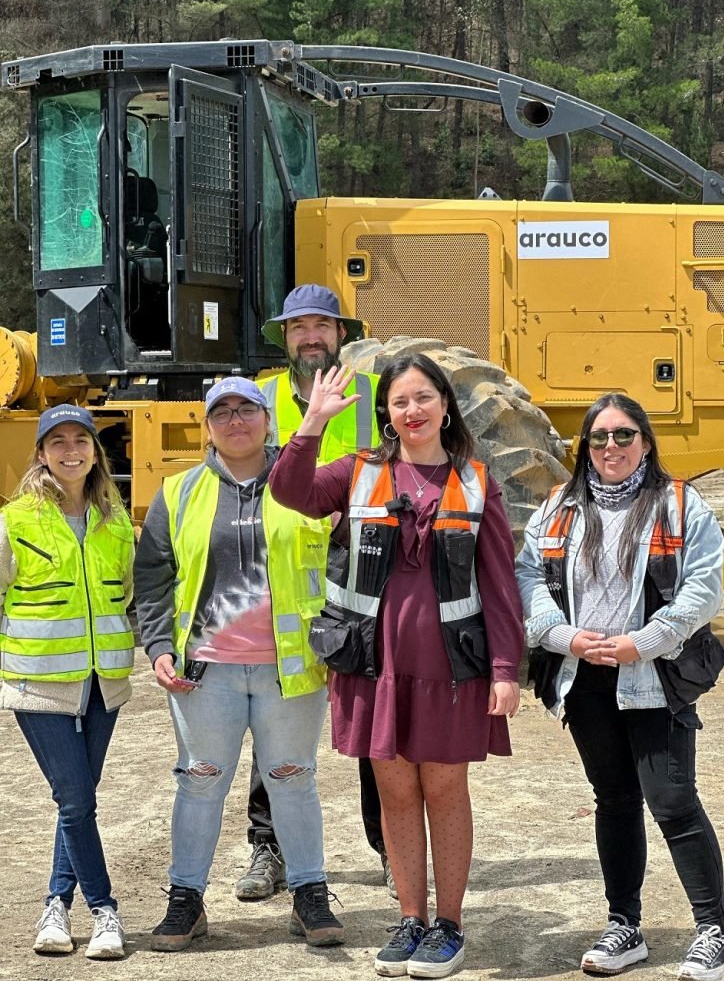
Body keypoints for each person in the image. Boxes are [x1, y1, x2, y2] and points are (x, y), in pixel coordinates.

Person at [268, 354, 524, 979]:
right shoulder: (358, 472)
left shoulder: (476, 482)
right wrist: (312, 424)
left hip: (450, 670)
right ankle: (411, 920)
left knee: (445, 791)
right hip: (372, 667)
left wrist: (505, 667)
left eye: (423, 398)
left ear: (445, 405)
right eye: (400, 401)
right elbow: (289, 491)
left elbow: (499, 584)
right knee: (396, 793)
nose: (413, 411)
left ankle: (449, 926)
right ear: (386, 412)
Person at [516, 393, 724, 981]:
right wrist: (562, 636)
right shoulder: (559, 507)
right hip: (586, 678)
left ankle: (713, 933)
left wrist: (648, 640)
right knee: (613, 800)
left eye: (623, 435)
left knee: (672, 801)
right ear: (584, 445)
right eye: (599, 437)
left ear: (645, 441)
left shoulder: (679, 504)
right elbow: (528, 574)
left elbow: (704, 587)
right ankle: (624, 925)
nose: (610, 446)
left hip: (654, 676)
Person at [133, 377, 344, 952]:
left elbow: (342, 561)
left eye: (246, 409)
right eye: (221, 412)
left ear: (267, 419)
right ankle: (185, 900)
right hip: (205, 672)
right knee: (199, 783)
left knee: (293, 780)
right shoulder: (178, 492)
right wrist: (158, 646)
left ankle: (309, 895)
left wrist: (340, 639)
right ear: (207, 427)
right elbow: (151, 577)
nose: (235, 420)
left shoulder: (305, 483)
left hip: (291, 668)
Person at [234, 282, 395, 903]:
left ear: (341, 335)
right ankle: (268, 847)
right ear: (284, 336)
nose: (309, 337)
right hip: (280, 582)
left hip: (362, 579)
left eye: (320, 326)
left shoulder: (377, 396)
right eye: (298, 327)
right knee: (275, 724)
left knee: (374, 724)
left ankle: (392, 849)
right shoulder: (261, 398)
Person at [0, 404, 135, 960]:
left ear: (95, 452)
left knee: (76, 802)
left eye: (81, 439)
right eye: (58, 441)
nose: (71, 450)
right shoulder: (15, 520)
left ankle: (56, 903)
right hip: (39, 683)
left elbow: (124, 592)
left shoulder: (115, 520)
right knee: (76, 800)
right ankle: (105, 910)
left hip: (105, 683)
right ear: (41, 454)